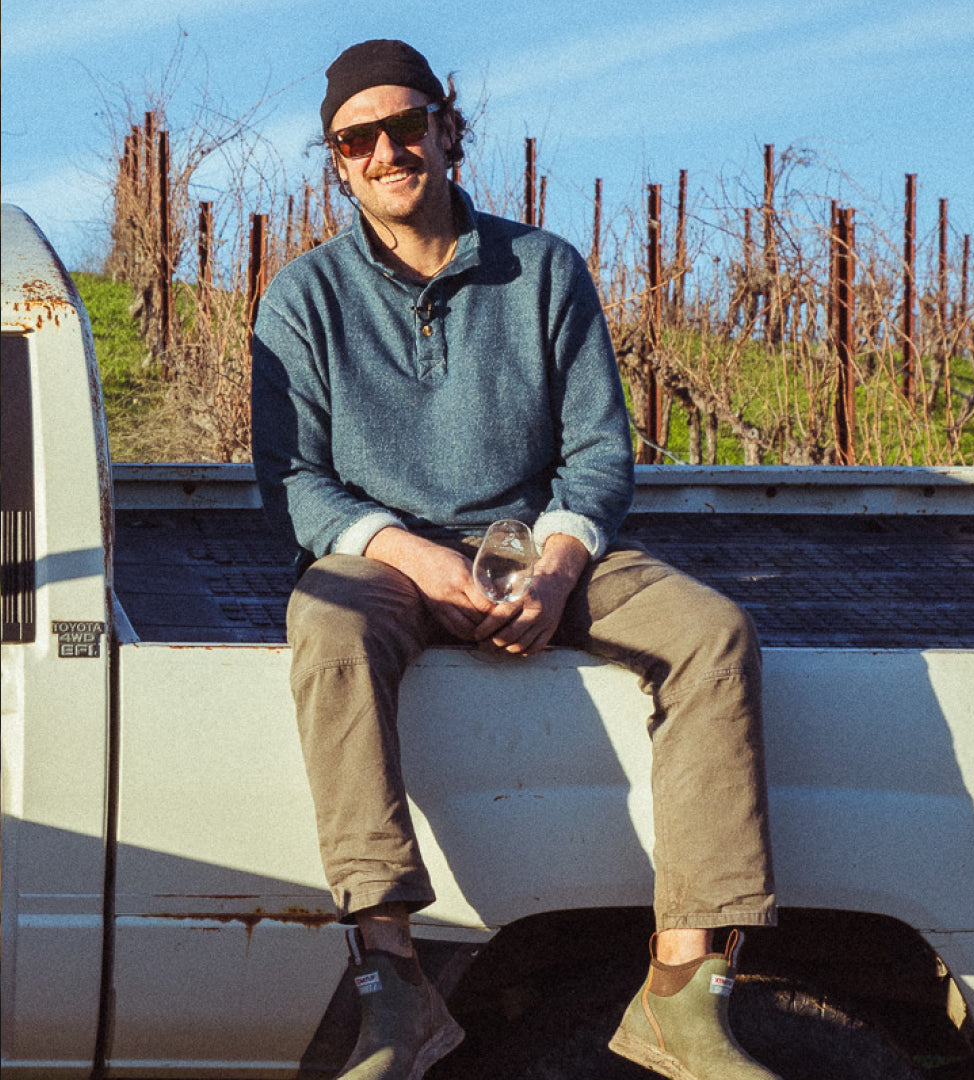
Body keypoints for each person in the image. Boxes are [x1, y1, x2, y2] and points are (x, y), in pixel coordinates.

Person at [252, 38, 780, 1080]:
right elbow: (293, 484)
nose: (389, 151)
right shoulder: (301, 298)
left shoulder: (542, 268)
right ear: (338, 162)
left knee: (713, 633)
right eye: (360, 139)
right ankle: (392, 979)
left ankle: (682, 990)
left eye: (409, 126)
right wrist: (410, 554)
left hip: (532, 540)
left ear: (449, 132)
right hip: (387, 556)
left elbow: (596, 453)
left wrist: (553, 567)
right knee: (325, 626)